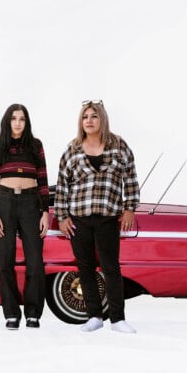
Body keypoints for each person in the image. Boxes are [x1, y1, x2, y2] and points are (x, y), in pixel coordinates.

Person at [55, 99, 139, 334]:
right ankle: (94, 316)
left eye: (94, 116)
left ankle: (117, 319)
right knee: (85, 268)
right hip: (79, 217)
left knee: (111, 268)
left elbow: (130, 177)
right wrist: (62, 216)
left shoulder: (119, 145)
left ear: (102, 119)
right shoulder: (72, 148)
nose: (89, 121)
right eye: (85, 117)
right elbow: (63, 185)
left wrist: (130, 207)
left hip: (108, 217)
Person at [0, 104, 50, 330]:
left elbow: (43, 180)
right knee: (5, 261)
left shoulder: (35, 145)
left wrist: (45, 212)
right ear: (7, 121)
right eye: (14, 119)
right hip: (5, 202)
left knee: (35, 261)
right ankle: (11, 314)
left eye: (22, 119)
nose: (18, 123)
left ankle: (33, 314)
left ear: (27, 121)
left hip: (31, 202)